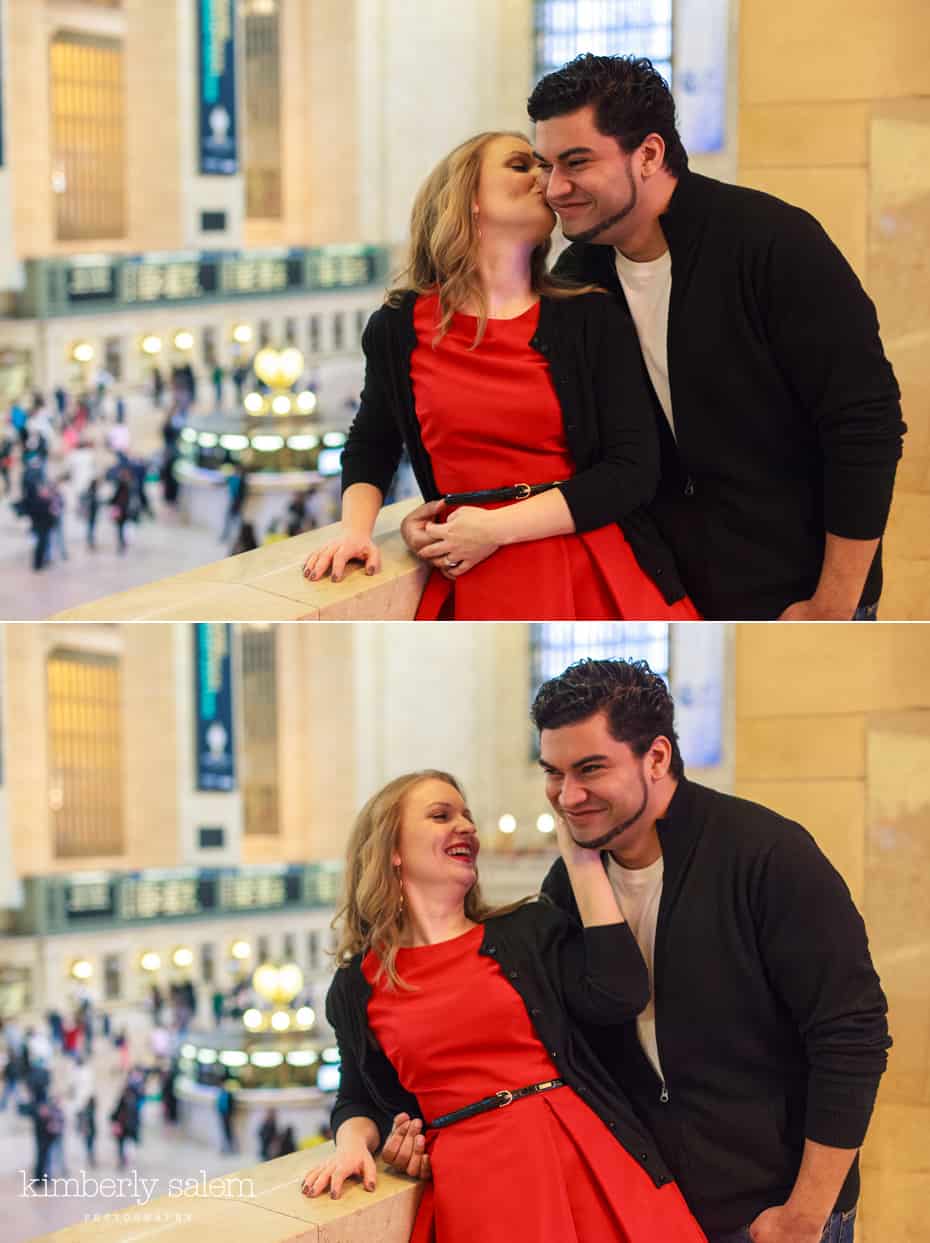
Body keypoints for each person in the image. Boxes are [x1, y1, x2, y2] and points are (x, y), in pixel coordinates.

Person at [523, 54, 904, 621]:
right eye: (544, 165)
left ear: (649, 154)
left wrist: (833, 605)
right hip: (669, 599)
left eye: (576, 162)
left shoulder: (773, 240)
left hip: (801, 597)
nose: (555, 188)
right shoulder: (579, 278)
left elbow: (864, 424)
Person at [525, 657, 888, 1243]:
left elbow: (852, 1033)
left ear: (658, 757)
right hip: (652, 1213)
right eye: (553, 772)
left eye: (590, 768)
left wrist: (805, 1215)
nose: (567, 796)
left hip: (773, 1217)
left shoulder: (767, 854)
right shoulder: (569, 885)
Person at [302, 130, 699, 622]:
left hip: (588, 563)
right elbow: (373, 441)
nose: (546, 178)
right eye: (521, 165)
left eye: (545, 167)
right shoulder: (398, 326)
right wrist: (356, 534)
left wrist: (495, 529)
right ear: (468, 199)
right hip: (468, 565)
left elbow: (632, 470)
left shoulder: (591, 317)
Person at [301, 770, 705, 1242]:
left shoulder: (527, 932)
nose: (466, 826)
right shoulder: (356, 987)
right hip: (478, 1188)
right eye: (441, 815)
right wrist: (353, 1145)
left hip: (586, 1157)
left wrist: (580, 859)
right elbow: (357, 1096)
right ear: (391, 850)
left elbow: (622, 993)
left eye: (467, 816)